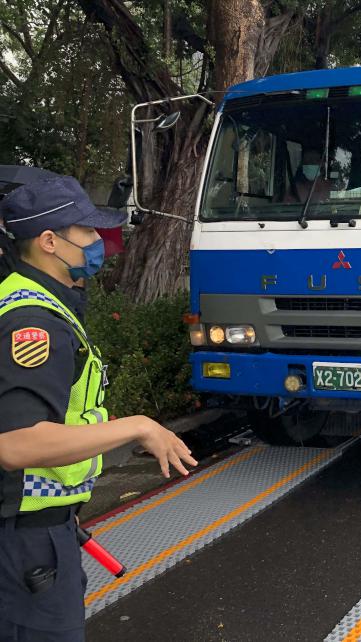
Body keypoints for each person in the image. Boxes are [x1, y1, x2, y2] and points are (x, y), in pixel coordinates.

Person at [0, 175, 197, 640]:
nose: (99, 242)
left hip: (40, 532)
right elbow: (16, 442)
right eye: (87, 231)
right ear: (49, 241)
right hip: (25, 541)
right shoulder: (34, 323)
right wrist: (139, 426)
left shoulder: (35, 298)